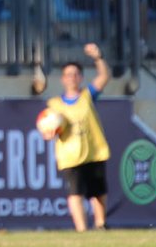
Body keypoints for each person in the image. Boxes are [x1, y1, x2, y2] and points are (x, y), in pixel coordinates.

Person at [40, 43, 111, 232]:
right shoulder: (54, 104)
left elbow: (104, 77)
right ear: (63, 79)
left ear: (80, 77)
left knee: (99, 192)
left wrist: (98, 58)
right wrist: (47, 133)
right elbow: (46, 126)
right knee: (75, 192)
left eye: (75, 74)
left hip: (94, 150)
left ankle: (100, 224)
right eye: (68, 74)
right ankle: (81, 230)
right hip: (70, 154)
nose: (72, 78)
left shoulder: (87, 96)